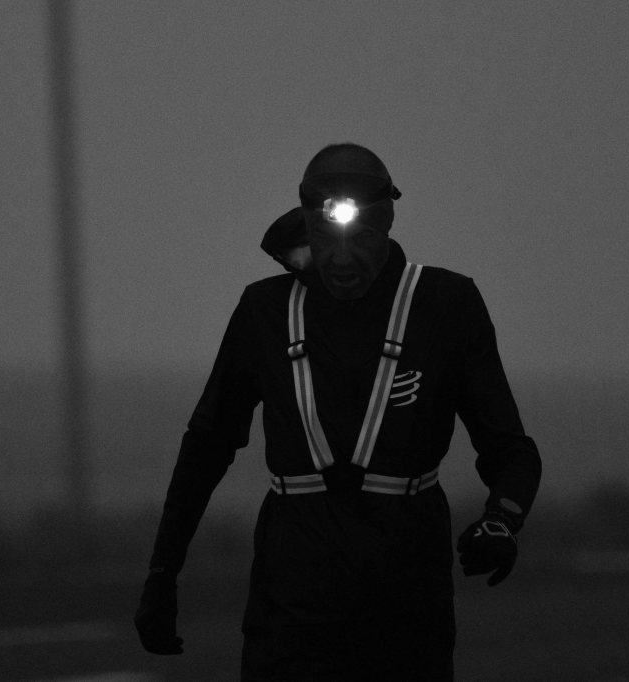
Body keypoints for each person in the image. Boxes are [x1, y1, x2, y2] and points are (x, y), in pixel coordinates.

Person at [135, 143, 542, 681]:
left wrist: (502, 521)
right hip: (292, 603)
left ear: (388, 226)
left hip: (407, 604)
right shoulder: (264, 310)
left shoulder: (447, 305)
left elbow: (510, 450)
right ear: (307, 228)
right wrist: (163, 572)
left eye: (362, 239)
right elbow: (206, 447)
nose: (342, 260)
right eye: (325, 240)